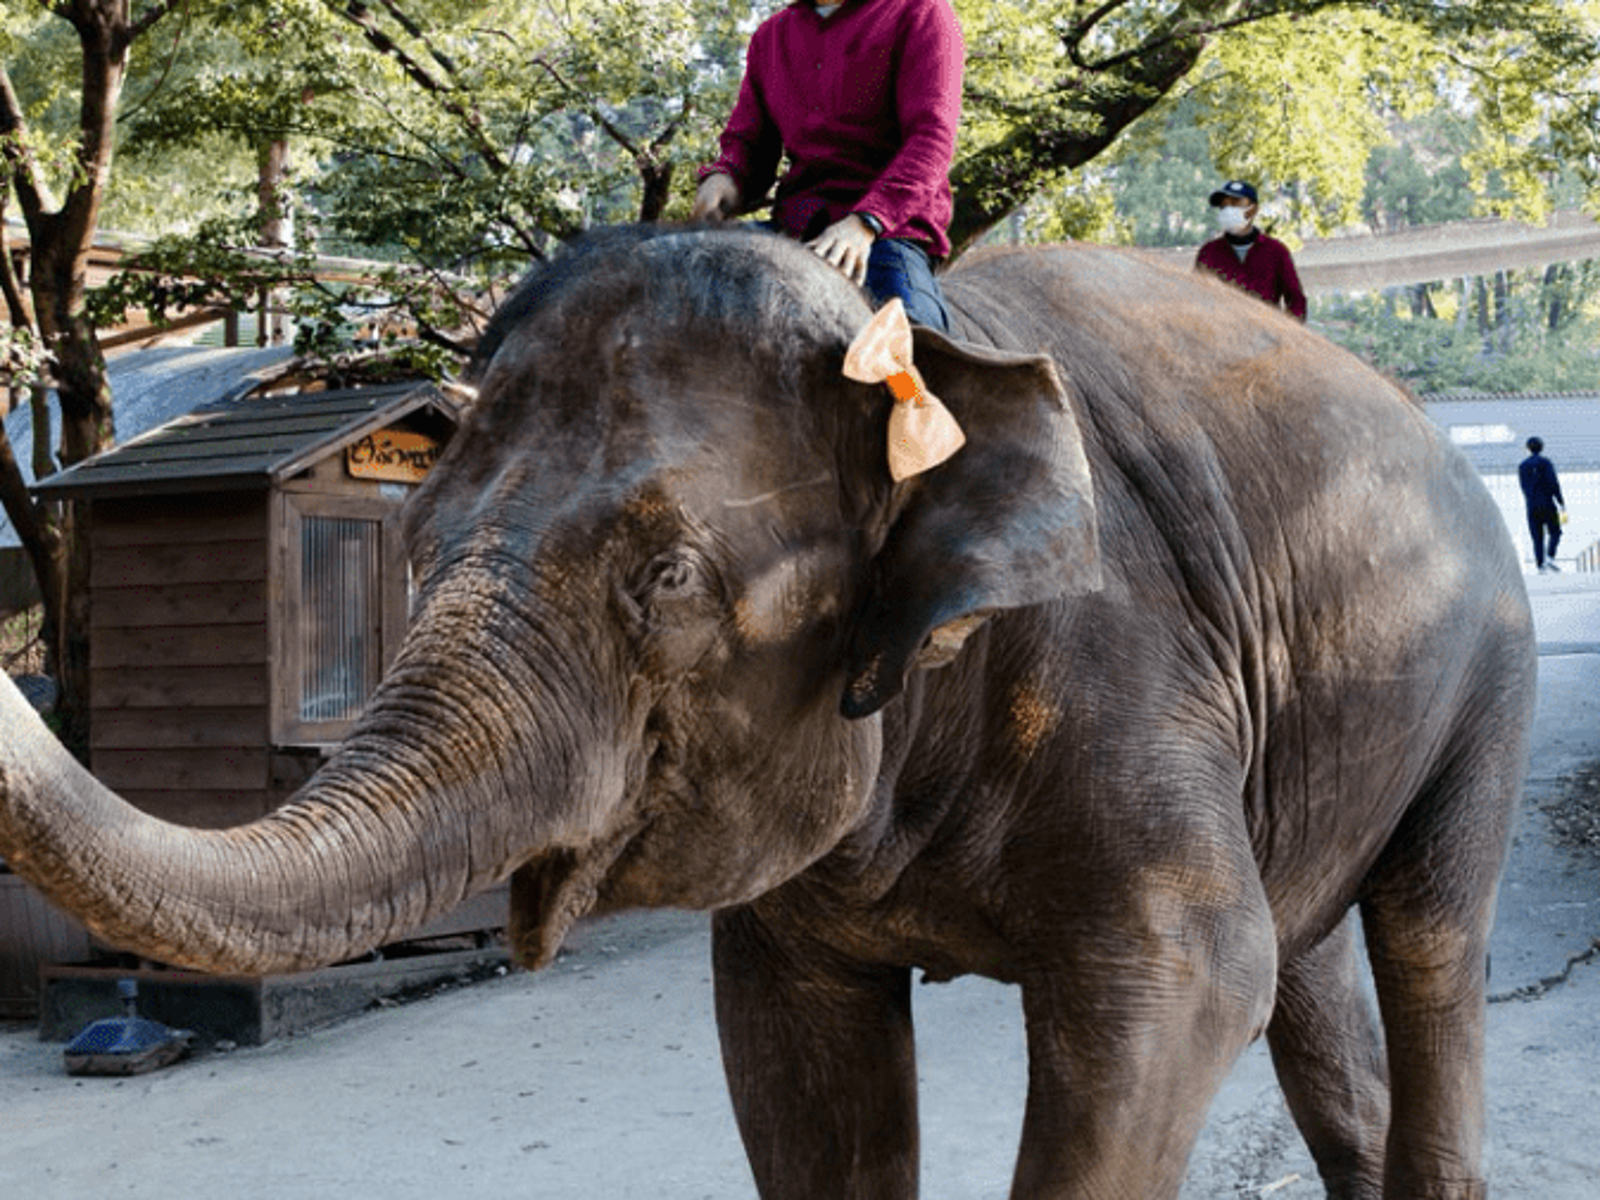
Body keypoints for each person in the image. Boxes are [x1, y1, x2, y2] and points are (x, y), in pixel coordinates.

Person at [689, 0, 964, 333]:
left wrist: (865, 223)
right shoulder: (771, 35)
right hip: (792, 229)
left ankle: (915, 384)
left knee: (908, 354)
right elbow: (750, 146)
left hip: (886, 235)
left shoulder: (920, 12)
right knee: (663, 280)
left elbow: (931, 139)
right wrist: (725, 178)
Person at [1194, 180, 1307, 322]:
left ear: (1253, 209)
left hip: (1267, 337)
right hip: (1221, 338)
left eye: (1235, 203)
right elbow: (1197, 299)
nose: (1228, 209)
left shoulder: (1276, 252)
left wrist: (1287, 333)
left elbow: (1296, 300)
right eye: (1224, 205)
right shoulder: (1208, 254)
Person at [1519, 436, 1566, 572]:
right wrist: (1561, 501)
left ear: (1528, 448)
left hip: (1531, 505)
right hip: (1547, 503)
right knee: (1555, 532)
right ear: (1542, 447)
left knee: (1537, 537)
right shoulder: (1546, 463)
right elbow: (1553, 483)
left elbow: (1523, 487)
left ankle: (1540, 566)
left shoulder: (1522, 466)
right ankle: (1550, 557)